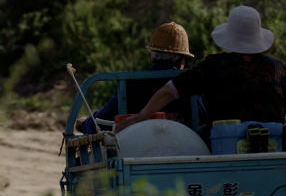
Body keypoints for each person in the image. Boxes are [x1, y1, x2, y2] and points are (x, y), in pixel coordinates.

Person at [114, 6, 286, 136]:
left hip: (224, 140)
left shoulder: (215, 65)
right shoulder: (278, 68)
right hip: (273, 139)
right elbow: (282, 107)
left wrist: (139, 118)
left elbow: (169, 91)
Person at [76, 22, 207, 134]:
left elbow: (104, 121)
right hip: (186, 154)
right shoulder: (192, 86)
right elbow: (204, 120)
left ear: (151, 57)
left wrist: (85, 124)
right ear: (181, 62)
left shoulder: (130, 85)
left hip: (135, 155)